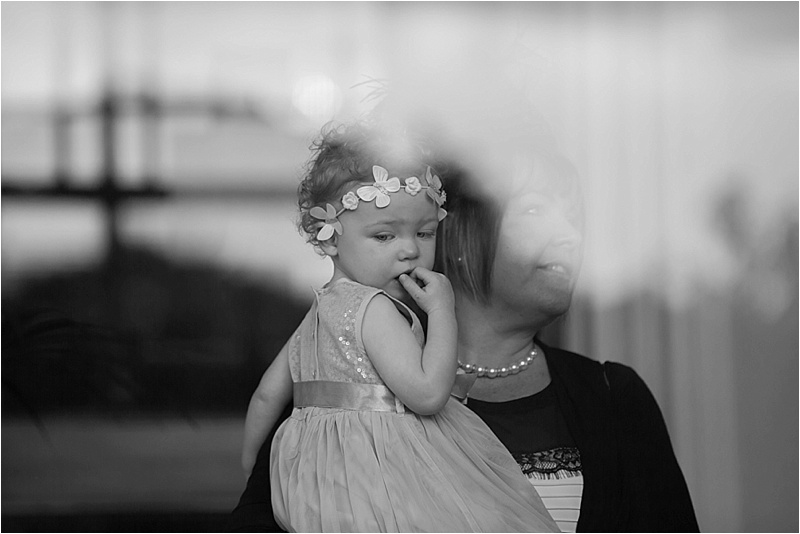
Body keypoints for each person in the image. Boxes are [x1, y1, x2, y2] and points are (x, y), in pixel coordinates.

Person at [229, 133, 699, 533]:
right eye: (536, 211)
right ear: (459, 233)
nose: (570, 237)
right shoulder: (336, 385)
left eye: (575, 218)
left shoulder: (613, 398)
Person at [238, 122, 559, 532]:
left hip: (323, 490)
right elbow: (428, 394)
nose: (409, 250)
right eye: (385, 236)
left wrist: (256, 468)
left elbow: (267, 396)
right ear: (330, 239)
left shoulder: (317, 314)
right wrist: (443, 311)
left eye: (424, 233)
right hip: (386, 482)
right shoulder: (375, 309)